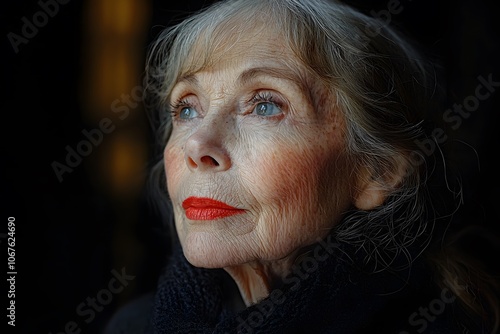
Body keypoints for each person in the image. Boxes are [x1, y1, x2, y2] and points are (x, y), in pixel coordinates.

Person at [105, 0, 500, 333]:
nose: (197, 145)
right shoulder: (135, 324)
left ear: (376, 171)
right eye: (187, 107)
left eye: (265, 105)